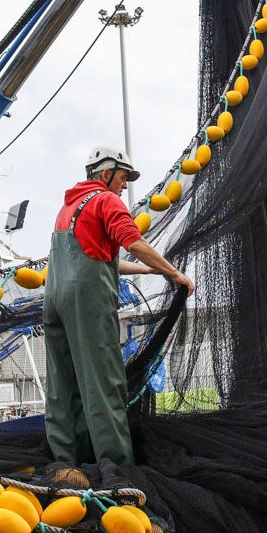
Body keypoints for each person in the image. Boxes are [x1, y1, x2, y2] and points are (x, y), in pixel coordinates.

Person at [43, 145, 194, 467]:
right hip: (87, 302)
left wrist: (150, 268)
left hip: (55, 300)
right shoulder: (105, 200)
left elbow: (101, 257)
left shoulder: (68, 207)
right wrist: (174, 273)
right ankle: (116, 467)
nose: (125, 186)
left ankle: (66, 463)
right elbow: (133, 242)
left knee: (63, 384)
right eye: (123, 178)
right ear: (106, 173)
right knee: (103, 382)